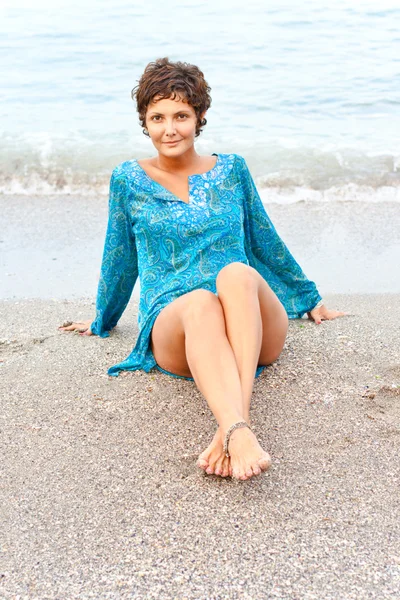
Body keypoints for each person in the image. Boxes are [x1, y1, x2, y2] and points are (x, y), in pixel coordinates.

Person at [59, 57, 345, 481]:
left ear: (200, 117)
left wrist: (309, 298)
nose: (169, 129)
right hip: (179, 328)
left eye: (180, 116)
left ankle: (235, 425)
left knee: (236, 272)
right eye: (157, 117)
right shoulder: (127, 180)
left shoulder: (232, 170)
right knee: (198, 301)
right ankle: (238, 428)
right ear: (144, 121)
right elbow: (119, 257)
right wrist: (103, 318)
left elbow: (263, 240)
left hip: (249, 324)